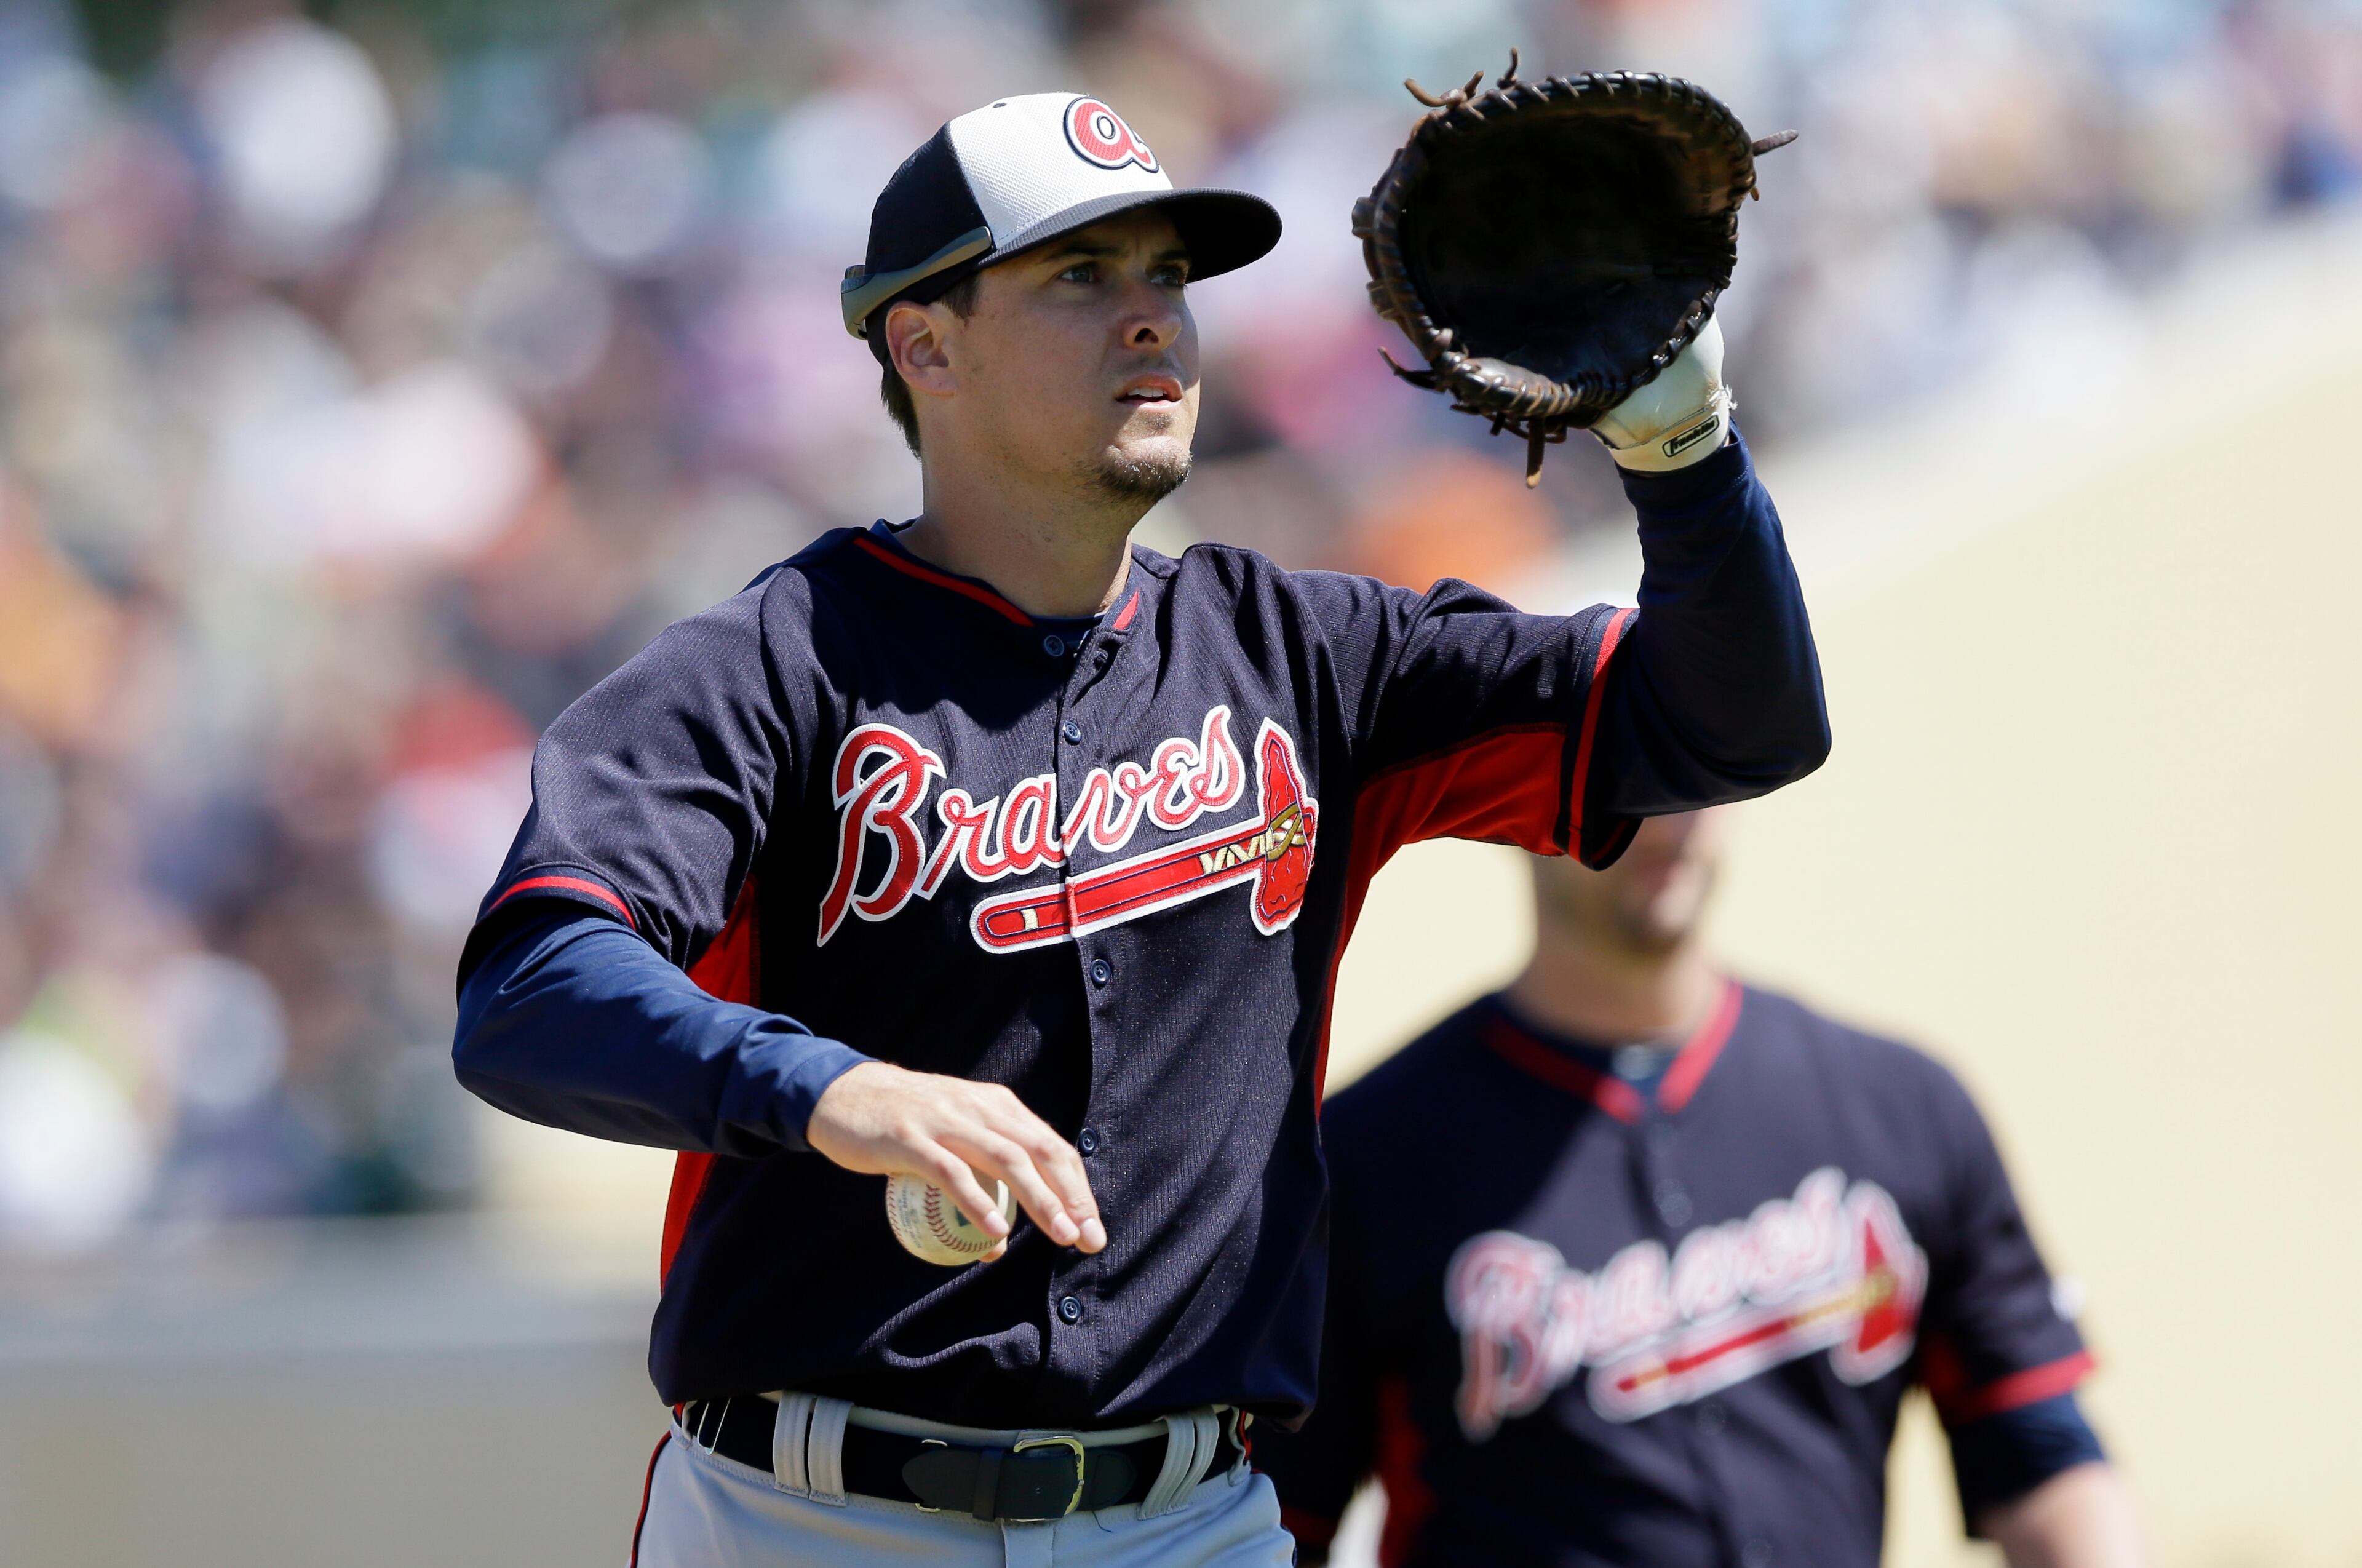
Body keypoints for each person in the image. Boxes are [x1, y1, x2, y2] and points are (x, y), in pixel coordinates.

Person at [450, 92, 1828, 1567]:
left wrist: (1685, 452)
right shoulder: (773, 668)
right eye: (1080, 277)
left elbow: (1729, 727)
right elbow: (531, 991)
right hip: (810, 1518)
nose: (1154, 320)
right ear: (925, 345)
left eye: (1169, 274)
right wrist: (827, 1090)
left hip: (1188, 1524)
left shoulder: (1310, 656)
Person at [1256, 808, 2147, 1568]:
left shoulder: (1898, 1103)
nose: (1671, 808)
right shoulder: (1357, 1163)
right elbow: (1272, 1530)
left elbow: (2036, 1447)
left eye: (1698, 757)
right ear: (1516, 799)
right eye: (1628, 767)